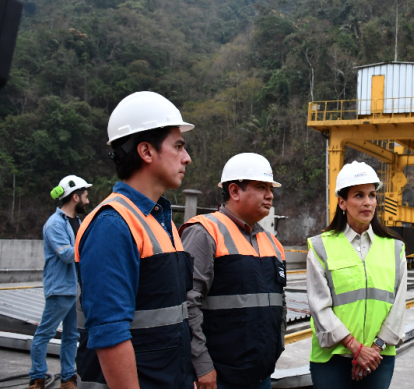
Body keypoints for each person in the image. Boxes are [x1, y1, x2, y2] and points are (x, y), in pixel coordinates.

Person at [74, 91, 196, 388]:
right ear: (146, 151)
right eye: (178, 146)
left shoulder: (158, 220)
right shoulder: (112, 225)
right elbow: (110, 336)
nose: (187, 158)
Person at [181, 153, 287, 389]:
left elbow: (280, 304)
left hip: (261, 375)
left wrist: (274, 350)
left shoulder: (272, 243)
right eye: (261, 187)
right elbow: (187, 303)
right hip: (219, 377)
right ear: (234, 191)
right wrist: (202, 365)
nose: (270, 195)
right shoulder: (205, 232)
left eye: (270, 188)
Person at [307, 161, 406, 389]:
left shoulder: (395, 248)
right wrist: (355, 347)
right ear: (342, 202)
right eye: (359, 195)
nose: (367, 202)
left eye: (372, 195)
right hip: (332, 359)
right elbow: (319, 306)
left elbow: (398, 306)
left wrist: (374, 349)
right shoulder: (320, 247)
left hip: (378, 357)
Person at [29, 175, 91, 389]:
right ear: (75, 197)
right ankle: (37, 378)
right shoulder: (54, 224)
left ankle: (67, 378)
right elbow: (66, 255)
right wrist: (90, 248)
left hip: (74, 289)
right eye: (85, 196)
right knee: (44, 334)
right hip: (60, 289)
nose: (88, 201)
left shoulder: (78, 222)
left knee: (71, 335)